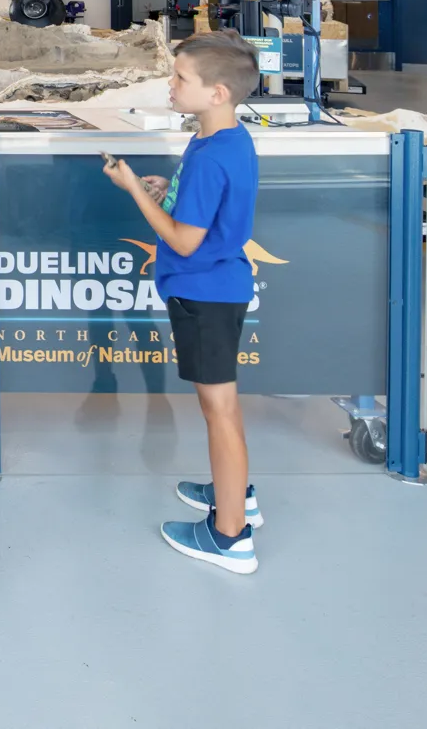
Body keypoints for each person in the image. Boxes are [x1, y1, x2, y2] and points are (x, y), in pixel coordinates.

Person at [103, 31, 262, 575]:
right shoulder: (222, 140)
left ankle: (230, 533)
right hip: (219, 286)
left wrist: (134, 192)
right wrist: (165, 188)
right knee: (224, 407)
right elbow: (204, 211)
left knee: (219, 411)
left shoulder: (208, 158)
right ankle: (234, 490)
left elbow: (184, 240)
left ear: (217, 92)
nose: (170, 86)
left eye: (180, 79)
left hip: (204, 292)